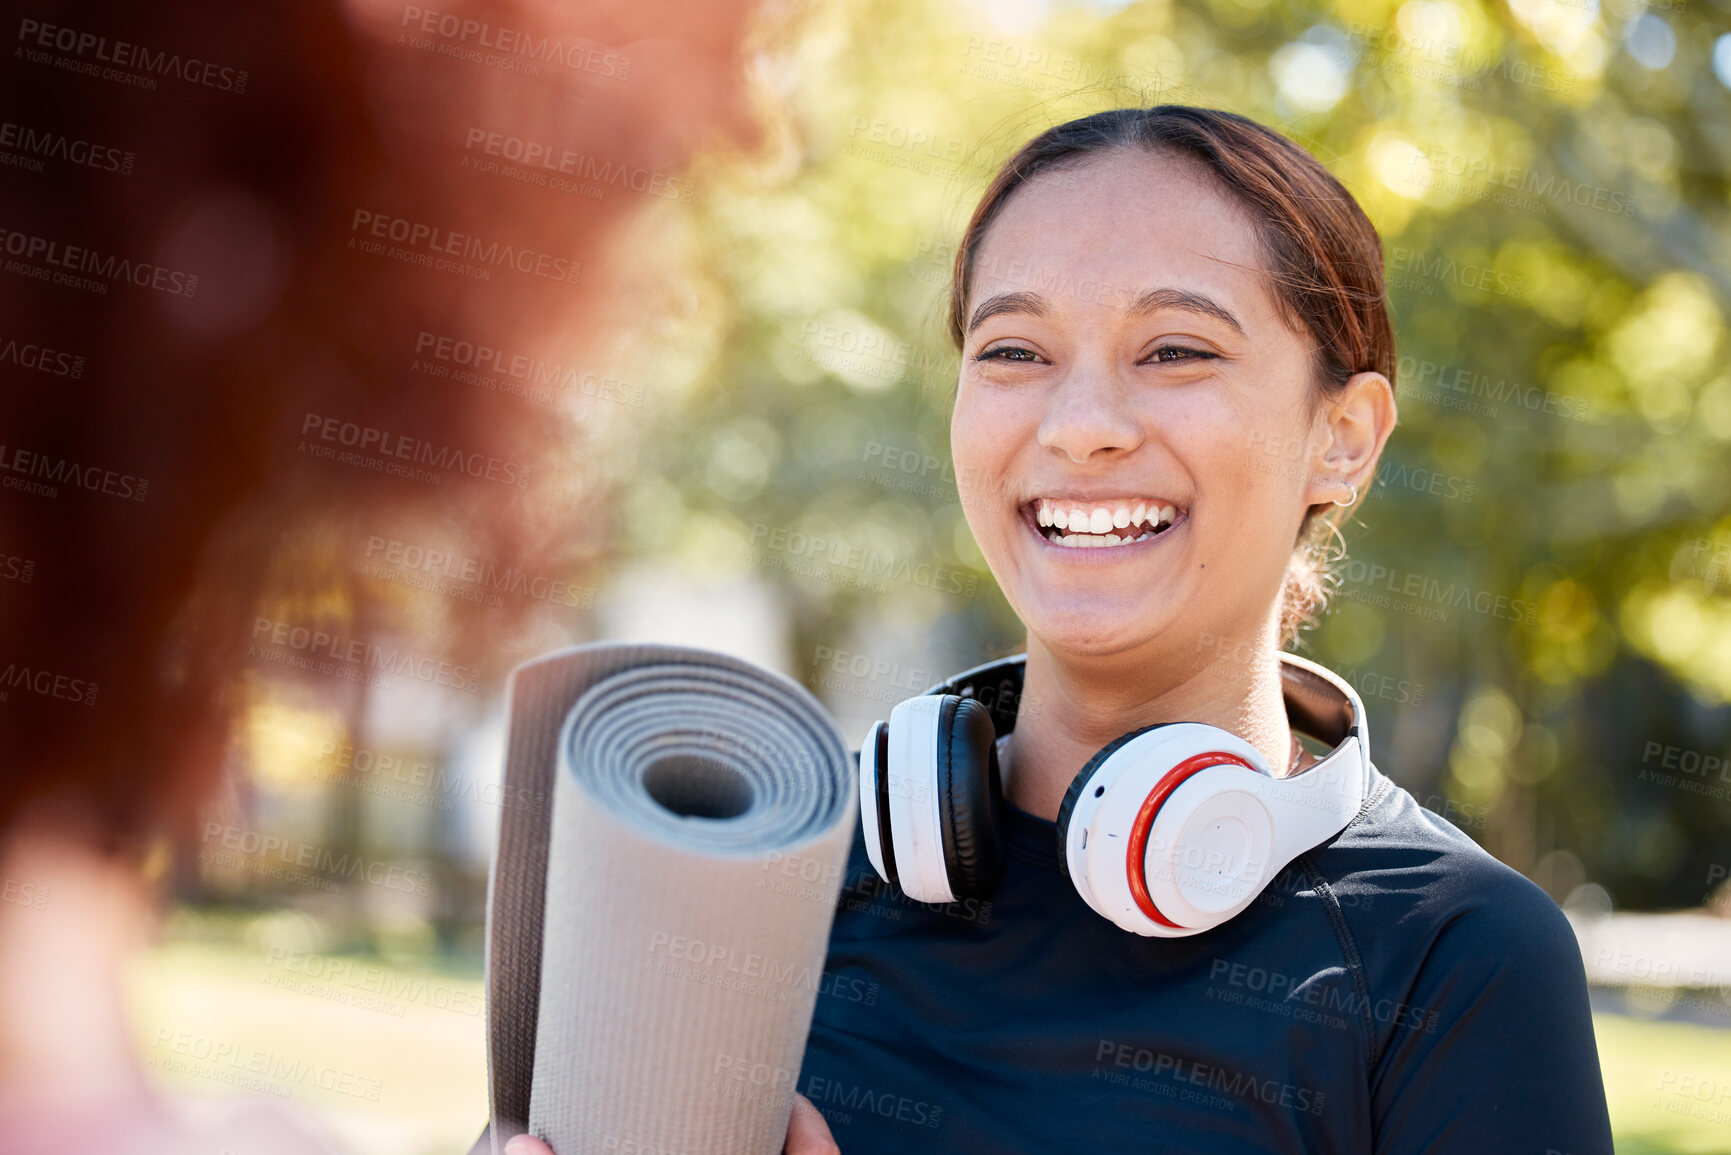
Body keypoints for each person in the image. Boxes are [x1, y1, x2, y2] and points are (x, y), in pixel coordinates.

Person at [794, 106, 1615, 1153]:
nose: (1081, 424)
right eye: (1013, 350)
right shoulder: (782, 881)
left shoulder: (1456, 957)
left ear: (1343, 440)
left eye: (1175, 350)